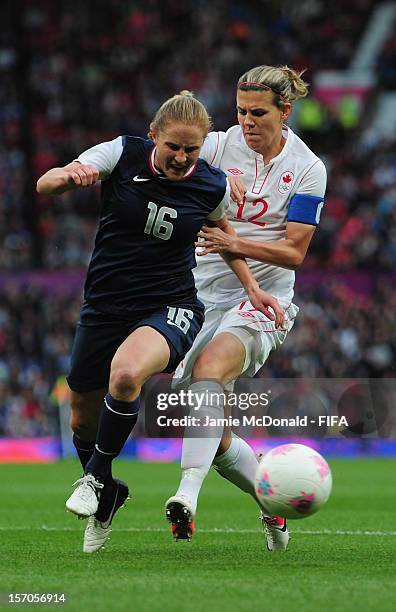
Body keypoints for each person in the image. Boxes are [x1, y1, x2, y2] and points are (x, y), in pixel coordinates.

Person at [36, 91, 284, 553]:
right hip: (104, 306)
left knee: (127, 373)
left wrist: (250, 286)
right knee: (81, 416)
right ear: (155, 136)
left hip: (170, 306)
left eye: (192, 149)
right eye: (174, 147)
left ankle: (92, 479)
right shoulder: (121, 153)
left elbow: (223, 232)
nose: (182, 157)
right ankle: (108, 493)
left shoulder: (211, 185)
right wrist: (72, 175)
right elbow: (44, 185)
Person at [165, 66, 327, 550]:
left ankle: (185, 496)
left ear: (285, 111)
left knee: (210, 372)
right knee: (213, 434)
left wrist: (232, 240)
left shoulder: (307, 168)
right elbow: (171, 163)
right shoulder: (216, 147)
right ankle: (272, 506)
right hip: (196, 293)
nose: (247, 122)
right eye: (240, 111)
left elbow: (295, 251)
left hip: (264, 300)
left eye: (258, 113)